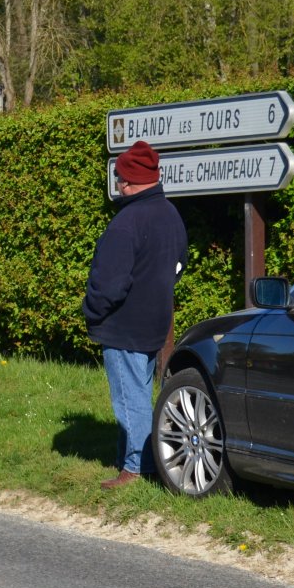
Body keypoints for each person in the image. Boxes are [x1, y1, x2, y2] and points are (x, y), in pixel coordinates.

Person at [82, 140, 188, 490]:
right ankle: (134, 456)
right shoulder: (170, 214)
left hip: (123, 325)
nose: (117, 185)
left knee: (129, 399)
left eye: (120, 179)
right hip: (154, 321)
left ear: (128, 181)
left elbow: (110, 284)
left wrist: (92, 311)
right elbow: (179, 265)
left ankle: (138, 467)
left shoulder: (126, 221)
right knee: (140, 392)